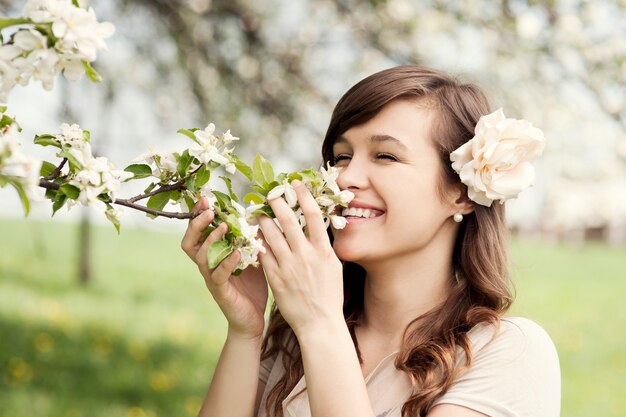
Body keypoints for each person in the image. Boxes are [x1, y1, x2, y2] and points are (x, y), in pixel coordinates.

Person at [181, 65, 561, 417]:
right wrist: (246, 331)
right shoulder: (294, 336)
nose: (345, 177)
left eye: (385, 155)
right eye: (341, 156)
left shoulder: (509, 353)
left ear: (460, 194)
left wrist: (320, 324)